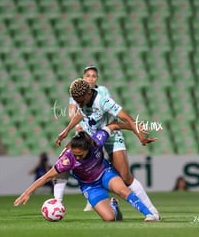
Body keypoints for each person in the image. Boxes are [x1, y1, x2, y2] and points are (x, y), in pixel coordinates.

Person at [55, 78, 161, 219]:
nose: (78, 103)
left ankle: (152, 211)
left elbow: (127, 118)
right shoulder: (82, 99)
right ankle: (57, 202)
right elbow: (80, 113)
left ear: (88, 93)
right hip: (91, 136)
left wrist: (139, 135)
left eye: (79, 100)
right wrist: (66, 130)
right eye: (76, 101)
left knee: (125, 178)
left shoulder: (104, 101)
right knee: (64, 158)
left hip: (111, 134)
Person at [14, 122, 159, 222]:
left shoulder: (97, 141)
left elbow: (113, 125)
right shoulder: (67, 159)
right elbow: (46, 177)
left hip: (105, 173)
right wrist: (27, 192)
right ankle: (114, 207)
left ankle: (149, 214)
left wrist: (133, 128)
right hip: (89, 186)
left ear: (88, 148)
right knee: (109, 218)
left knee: (122, 190)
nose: (76, 157)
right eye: (74, 154)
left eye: (80, 155)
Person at [54, 66, 110, 211]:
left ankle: (94, 199)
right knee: (63, 162)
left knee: (98, 167)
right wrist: (77, 126)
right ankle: (57, 201)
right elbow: (73, 112)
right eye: (88, 76)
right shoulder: (77, 91)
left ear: (97, 78)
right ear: (83, 78)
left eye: (93, 76)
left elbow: (108, 110)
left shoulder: (103, 91)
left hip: (97, 134)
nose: (91, 78)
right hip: (82, 133)